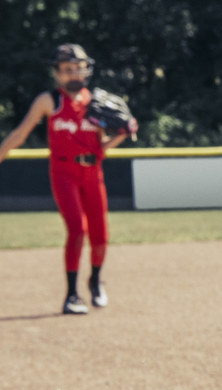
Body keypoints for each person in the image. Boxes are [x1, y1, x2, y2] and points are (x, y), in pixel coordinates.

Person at [0, 44, 131, 314]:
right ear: (57, 73)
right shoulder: (49, 100)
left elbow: (102, 146)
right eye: (67, 69)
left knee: (101, 237)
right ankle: (72, 295)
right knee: (77, 229)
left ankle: (95, 281)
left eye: (79, 68)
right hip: (64, 173)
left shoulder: (97, 101)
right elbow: (21, 133)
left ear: (87, 70)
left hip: (93, 173)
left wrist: (125, 132)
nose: (74, 74)